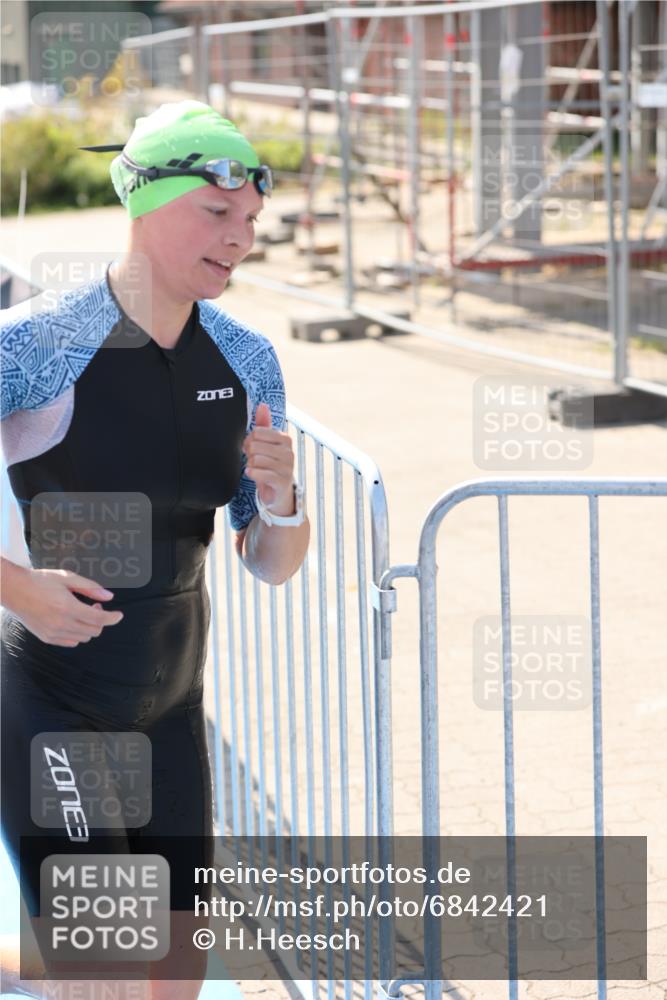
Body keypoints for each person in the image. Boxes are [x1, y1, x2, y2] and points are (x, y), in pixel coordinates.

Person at [0, 100, 310, 1000]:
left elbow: (273, 562)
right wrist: (16, 588)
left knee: (174, 977)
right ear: (142, 200)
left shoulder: (246, 358)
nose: (240, 237)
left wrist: (282, 499)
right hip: (56, 709)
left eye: (250, 220)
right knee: (107, 977)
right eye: (216, 214)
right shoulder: (38, 344)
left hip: (173, 712)